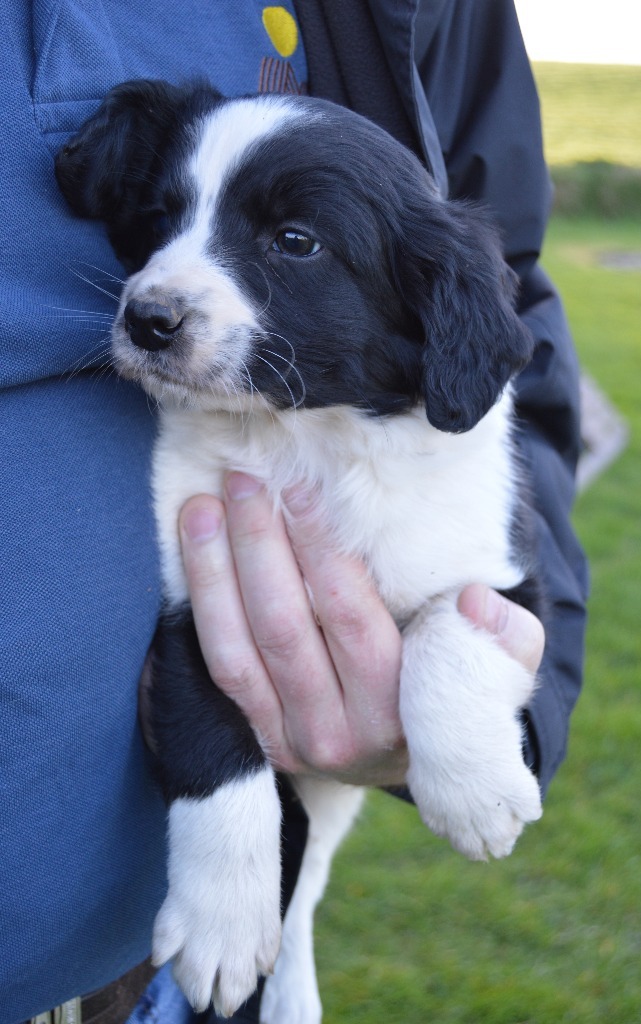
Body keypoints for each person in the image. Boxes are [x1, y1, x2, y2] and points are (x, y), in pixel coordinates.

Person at [0, 1, 587, 1022]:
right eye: (172, 218)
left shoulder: (443, 432)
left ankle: (289, 937)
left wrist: (482, 708)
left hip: (138, 969)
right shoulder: (210, 433)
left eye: (291, 239)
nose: (157, 287)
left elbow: (496, 589)